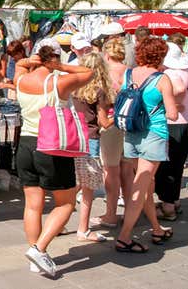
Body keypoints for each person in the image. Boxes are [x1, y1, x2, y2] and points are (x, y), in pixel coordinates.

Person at [14, 38, 92, 277]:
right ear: (56, 58)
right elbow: (88, 71)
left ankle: (34, 253)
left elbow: (18, 65)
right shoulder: (60, 83)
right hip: (52, 146)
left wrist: (29, 61)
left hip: (26, 145)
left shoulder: (22, 79)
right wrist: (60, 67)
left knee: (33, 205)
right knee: (66, 203)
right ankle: (39, 249)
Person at [115, 38, 178, 254]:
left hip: (132, 133)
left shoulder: (129, 74)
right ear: (160, 56)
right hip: (154, 135)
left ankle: (157, 228)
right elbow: (172, 113)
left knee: (146, 185)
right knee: (140, 186)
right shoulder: (162, 79)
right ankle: (124, 237)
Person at [71, 52, 114, 243]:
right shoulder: (99, 91)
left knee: (74, 184)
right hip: (90, 139)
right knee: (87, 188)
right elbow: (104, 122)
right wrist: (119, 116)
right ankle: (83, 229)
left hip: (72, 138)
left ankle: (60, 220)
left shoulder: (72, 88)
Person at [154, 42, 188, 220]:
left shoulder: (170, 73)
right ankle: (174, 201)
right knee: (177, 166)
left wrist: (170, 101)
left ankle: (168, 207)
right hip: (187, 122)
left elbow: (179, 89)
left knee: (167, 167)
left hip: (174, 124)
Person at [98, 37, 129, 224]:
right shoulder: (130, 72)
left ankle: (110, 214)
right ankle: (130, 211)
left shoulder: (105, 74)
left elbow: (101, 102)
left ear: (107, 54)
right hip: (130, 124)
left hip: (110, 124)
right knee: (127, 171)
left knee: (110, 171)